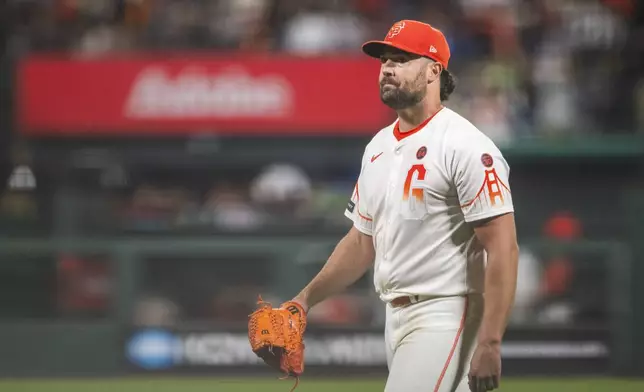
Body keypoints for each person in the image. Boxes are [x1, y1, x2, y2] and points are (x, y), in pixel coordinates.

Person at [290, 20, 519, 392]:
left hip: (447, 311)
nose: (388, 69)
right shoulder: (377, 147)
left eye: (401, 59)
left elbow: (503, 248)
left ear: (434, 71)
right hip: (395, 318)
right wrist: (305, 299)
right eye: (384, 61)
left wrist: (491, 341)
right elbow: (362, 241)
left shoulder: (465, 145)